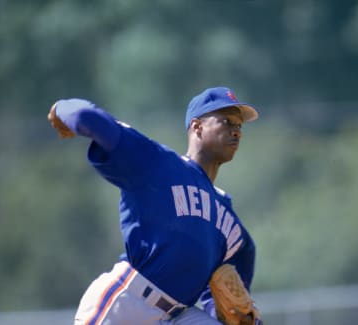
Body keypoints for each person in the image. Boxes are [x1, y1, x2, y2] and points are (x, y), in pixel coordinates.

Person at [47, 86, 261, 325]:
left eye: (239, 125)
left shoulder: (225, 213)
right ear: (197, 126)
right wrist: (61, 109)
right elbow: (92, 119)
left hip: (179, 315)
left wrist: (228, 313)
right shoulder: (158, 164)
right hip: (128, 303)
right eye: (226, 121)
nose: (236, 131)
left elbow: (243, 254)